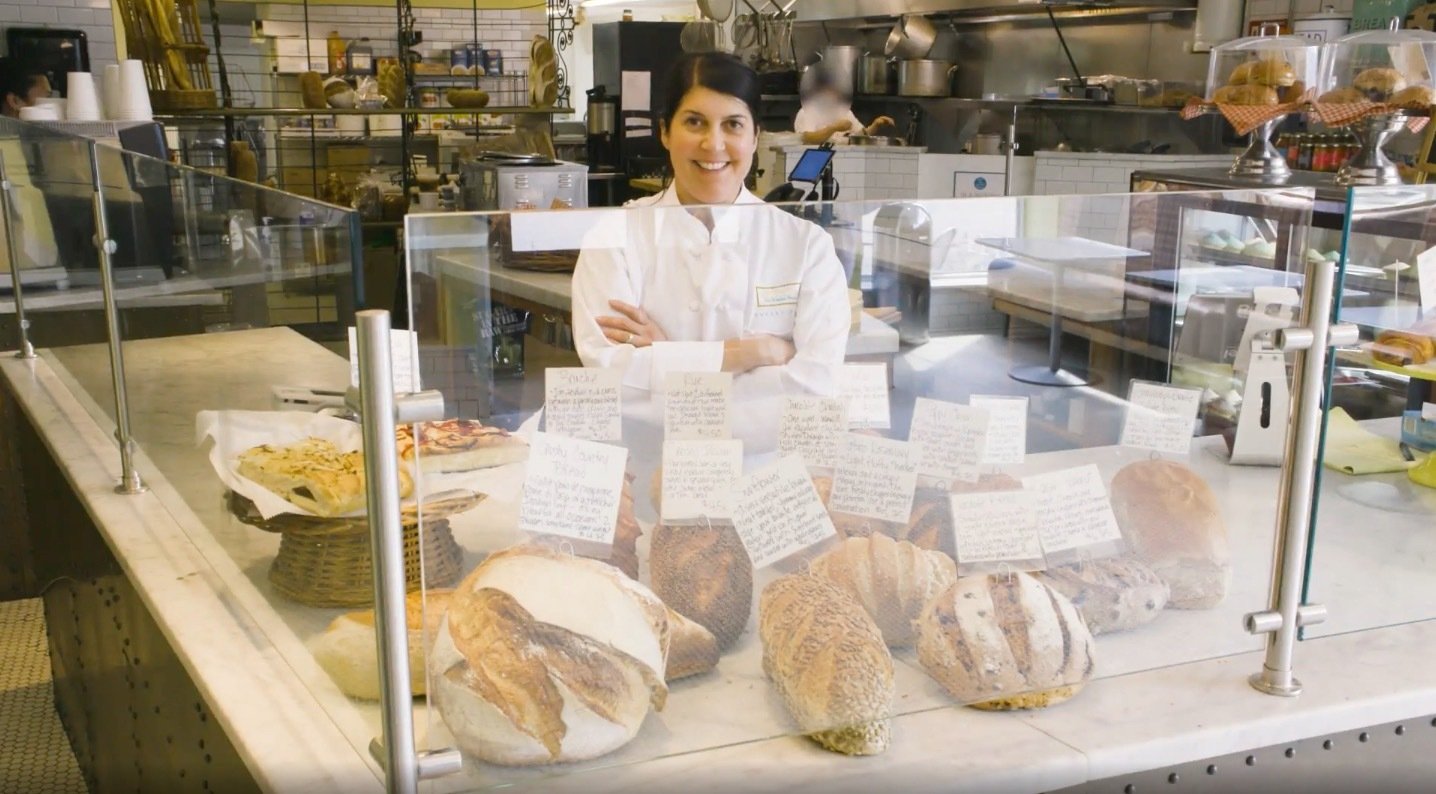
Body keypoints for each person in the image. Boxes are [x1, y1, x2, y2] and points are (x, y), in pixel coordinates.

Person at [570, 52, 850, 407]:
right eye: (694, 122)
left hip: (765, 461)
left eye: (733, 124)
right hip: (645, 458)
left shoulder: (807, 247)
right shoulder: (613, 239)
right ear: (664, 132)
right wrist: (751, 353)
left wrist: (666, 357)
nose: (713, 144)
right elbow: (610, 376)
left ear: (754, 138)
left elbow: (814, 386)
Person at [793, 63, 894, 145]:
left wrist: (875, 125)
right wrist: (834, 128)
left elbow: (859, 136)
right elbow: (807, 138)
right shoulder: (806, 112)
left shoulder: (845, 112)